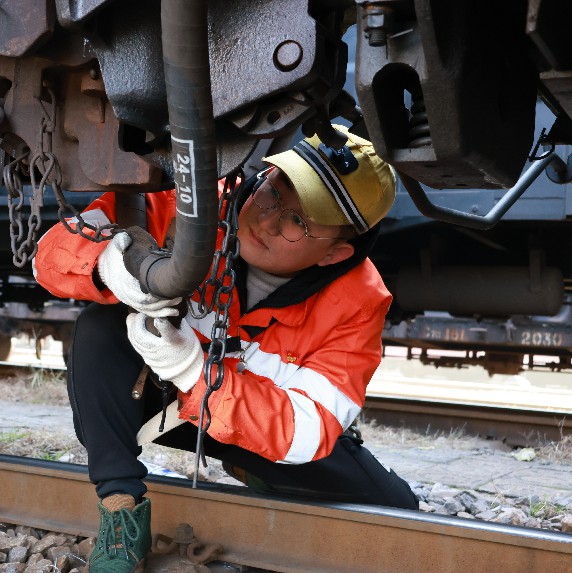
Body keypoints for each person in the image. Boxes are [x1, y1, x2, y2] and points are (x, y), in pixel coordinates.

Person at [33, 125, 418, 573]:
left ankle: (251, 470)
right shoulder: (194, 206)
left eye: (298, 221)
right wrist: (104, 265)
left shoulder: (360, 301)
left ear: (334, 254)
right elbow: (51, 251)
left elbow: (309, 428)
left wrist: (195, 374)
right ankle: (120, 508)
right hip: (160, 403)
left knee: (394, 505)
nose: (268, 220)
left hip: (254, 427)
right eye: (273, 193)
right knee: (101, 327)